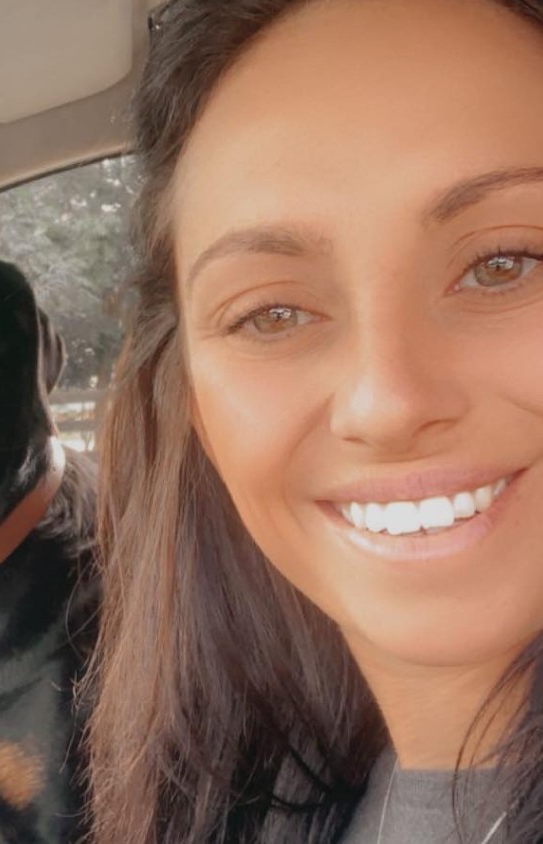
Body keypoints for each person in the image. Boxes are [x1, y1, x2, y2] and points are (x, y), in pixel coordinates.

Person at [86, 0, 543, 841]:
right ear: (188, 399)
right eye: (271, 314)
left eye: (503, 263)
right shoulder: (250, 791)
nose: (387, 403)